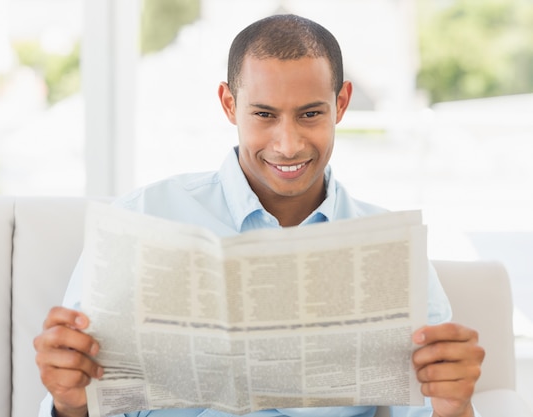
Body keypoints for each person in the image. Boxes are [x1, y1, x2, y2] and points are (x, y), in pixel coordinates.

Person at [34, 14, 484, 417]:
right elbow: (81, 398)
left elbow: (432, 409)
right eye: (264, 114)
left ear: (341, 103)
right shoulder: (140, 217)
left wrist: (455, 408)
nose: (288, 144)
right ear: (229, 105)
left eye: (310, 114)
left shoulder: (391, 252)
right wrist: (69, 406)